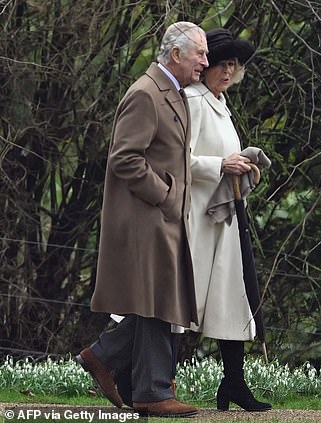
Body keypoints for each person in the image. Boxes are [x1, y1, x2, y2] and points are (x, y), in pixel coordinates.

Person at [74, 21, 208, 417]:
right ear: (176, 54)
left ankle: (107, 359)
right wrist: (165, 195)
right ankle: (150, 390)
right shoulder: (146, 94)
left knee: (161, 302)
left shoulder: (172, 92)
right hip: (145, 219)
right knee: (157, 303)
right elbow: (124, 158)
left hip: (162, 219)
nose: (206, 60)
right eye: (199, 53)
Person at [184, 28, 272, 412]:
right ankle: (134, 373)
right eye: (221, 64)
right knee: (181, 304)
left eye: (233, 66)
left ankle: (234, 383)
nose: (227, 71)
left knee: (229, 300)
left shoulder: (221, 105)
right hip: (196, 219)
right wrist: (221, 164)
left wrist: (244, 166)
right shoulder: (191, 101)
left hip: (226, 217)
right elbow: (181, 159)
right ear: (206, 67)